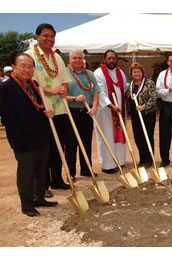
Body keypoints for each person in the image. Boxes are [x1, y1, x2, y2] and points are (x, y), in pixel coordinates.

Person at [0, 53, 58, 217]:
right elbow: (8, 117)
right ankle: (27, 205)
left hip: (41, 135)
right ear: (14, 67)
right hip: (23, 139)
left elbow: (37, 105)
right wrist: (18, 140)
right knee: (26, 173)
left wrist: (45, 111)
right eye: (23, 66)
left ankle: (39, 197)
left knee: (40, 170)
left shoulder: (33, 84)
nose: (27, 69)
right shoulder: (6, 88)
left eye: (30, 66)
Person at [25, 23, 72, 194]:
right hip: (42, 109)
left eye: (52, 36)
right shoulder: (29, 57)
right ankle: (42, 185)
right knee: (43, 148)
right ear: (37, 37)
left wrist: (64, 88)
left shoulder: (57, 57)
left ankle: (57, 180)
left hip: (60, 109)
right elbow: (28, 84)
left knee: (59, 146)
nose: (49, 39)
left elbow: (65, 79)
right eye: (45, 35)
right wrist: (50, 91)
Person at [65, 50, 99, 181]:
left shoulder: (90, 74)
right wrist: (74, 98)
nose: (77, 60)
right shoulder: (65, 74)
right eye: (74, 58)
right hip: (71, 113)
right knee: (71, 144)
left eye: (80, 58)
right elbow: (61, 96)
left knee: (86, 142)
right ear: (69, 60)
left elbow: (96, 92)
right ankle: (71, 172)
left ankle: (86, 169)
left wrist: (94, 106)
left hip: (86, 112)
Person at [94, 50, 128, 174]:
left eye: (114, 58)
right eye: (109, 58)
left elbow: (125, 88)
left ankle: (119, 160)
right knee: (107, 136)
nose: (112, 61)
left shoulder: (120, 72)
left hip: (120, 110)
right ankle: (108, 164)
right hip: (105, 112)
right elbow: (100, 92)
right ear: (104, 59)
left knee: (120, 135)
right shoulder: (98, 73)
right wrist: (111, 105)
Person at [125, 63, 158, 168]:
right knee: (138, 137)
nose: (136, 73)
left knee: (147, 136)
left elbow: (154, 97)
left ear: (142, 72)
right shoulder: (130, 85)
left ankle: (149, 159)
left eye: (138, 71)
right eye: (134, 72)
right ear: (131, 73)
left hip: (147, 114)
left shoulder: (149, 83)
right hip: (135, 116)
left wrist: (144, 106)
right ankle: (142, 158)